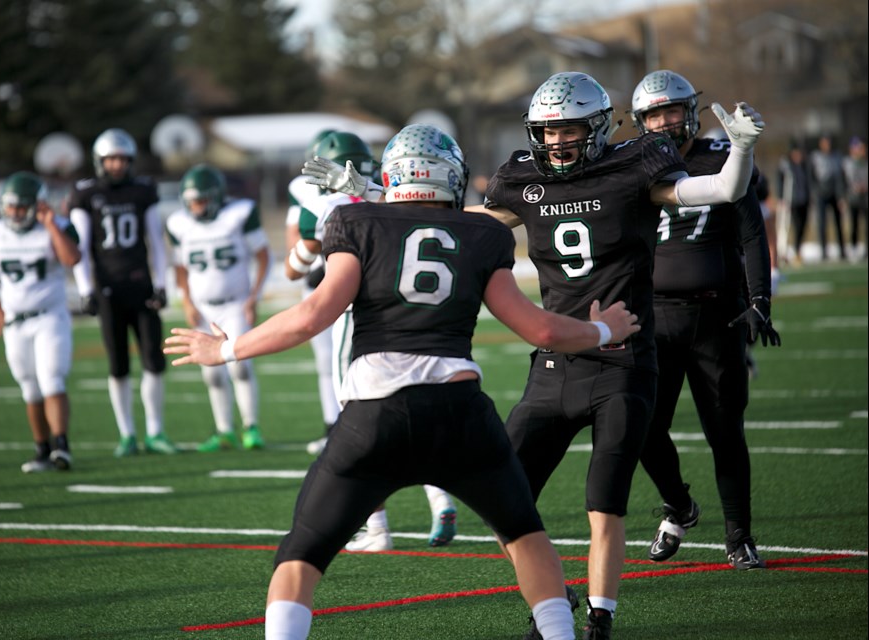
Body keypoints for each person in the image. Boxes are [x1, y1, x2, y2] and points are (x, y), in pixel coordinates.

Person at [302, 72, 765, 640]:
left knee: (604, 504)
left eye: (568, 129)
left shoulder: (632, 170)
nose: (557, 143)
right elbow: (447, 219)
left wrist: (740, 149)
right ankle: (553, 594)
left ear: (597, 127)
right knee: (507, 499)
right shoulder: (524, 181)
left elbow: (719, 191)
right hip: (554, 365)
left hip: (623, 358)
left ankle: (599, 619)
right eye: (547, 132)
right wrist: (374, 193)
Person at [164, 123, 643, 640]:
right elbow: (541, 328)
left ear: (392, 178)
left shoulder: (356, 221)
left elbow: (312, 315)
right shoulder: (482, 233)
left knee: (300, 554)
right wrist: (602, 329)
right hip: (459, 411)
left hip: (374, 415)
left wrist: (226, 348)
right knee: (527, 539)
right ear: (452, 180)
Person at [628, 69, 780, 571]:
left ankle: (739, 535)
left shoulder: (722, 158)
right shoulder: (632, 168)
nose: (665, 121)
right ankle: (678, 506)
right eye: (655, 114)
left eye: (672, 110)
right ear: (640, 122)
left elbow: (753, 234)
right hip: (655, 318)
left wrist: (760, 299)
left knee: (725, 430)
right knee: (643, 426)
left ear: (690, 111)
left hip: (717, 315)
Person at [292, 130, 459, 551]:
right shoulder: (401, 193)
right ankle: (440, 499)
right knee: (419, 415)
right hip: (411, 314)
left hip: (355, 320)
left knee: (358, 422)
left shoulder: (323, 205)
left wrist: (305, 261)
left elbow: (296, 266)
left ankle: (378, 527)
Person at [69, 128, 179, 457]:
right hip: (107, 289)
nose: (117, 165)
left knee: (154, 361)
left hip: (140, 286)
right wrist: (86, 289)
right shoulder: (86, 193)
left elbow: (155, 242)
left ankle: (156, 431)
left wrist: (161, 283)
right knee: (118, 365)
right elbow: (81, 248)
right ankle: (127, 434)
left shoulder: (142, 190)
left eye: (122, 159)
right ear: (100, 161)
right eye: (111, 159)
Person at [0, 171, 82, 472]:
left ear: (37, 205)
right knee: (29, 388)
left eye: (22, 207)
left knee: (52, 379)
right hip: (15, 322)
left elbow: (72, 259)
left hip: (50, 316)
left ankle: (62, 446)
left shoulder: (58, 227)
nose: (16, 213)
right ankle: (42, 449)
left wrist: (50, 225)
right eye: (11, 206)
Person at [165, 164, 270, 451]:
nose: (197, 207)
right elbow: (180, 267)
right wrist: (185, 300)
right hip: (203, 308)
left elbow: (262, 256)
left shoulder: (238, 215)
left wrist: (253, 298)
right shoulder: (178, 224)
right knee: (210, 372)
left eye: (201, 200)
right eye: (192, 202)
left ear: (216, 197)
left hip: (235, 304)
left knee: (240, 366)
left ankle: (251, 427)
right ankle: (225, 431)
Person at [285, 128, 342, 456]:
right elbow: (295, 240)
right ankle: (333, 426)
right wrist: (309, 260)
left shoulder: (365, 191)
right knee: (327, 360)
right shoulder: (303, 191)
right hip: (319, 281)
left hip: (354, 281)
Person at [809, 135, 847, 261]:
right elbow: (811, 177)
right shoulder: (815, 157)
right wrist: (814, 193)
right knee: (822, 223)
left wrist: (841, 195)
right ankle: (824, 251)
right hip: (821, 194)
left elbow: (841, 178)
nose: (827, 146)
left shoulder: (837, 156)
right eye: (825, 143)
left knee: (838, 223)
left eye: (829, 143)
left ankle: (842, 250)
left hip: (835, 193)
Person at [775, 140, 811, 266]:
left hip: (803, 200)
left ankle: (797, 250)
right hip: (790, 200)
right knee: (787, 226)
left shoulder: (804, 165)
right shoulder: (785, 164)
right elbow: (780, 180)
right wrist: (781, 198)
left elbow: (808, 182)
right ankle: (783, 252)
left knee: (802, 226)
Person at [842, 136, 868, 261]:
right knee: (854, 224)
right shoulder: (848, 162)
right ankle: (853, 248)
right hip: (853, 198)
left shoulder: (865, 161)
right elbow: (846, 180)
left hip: (865, 198)